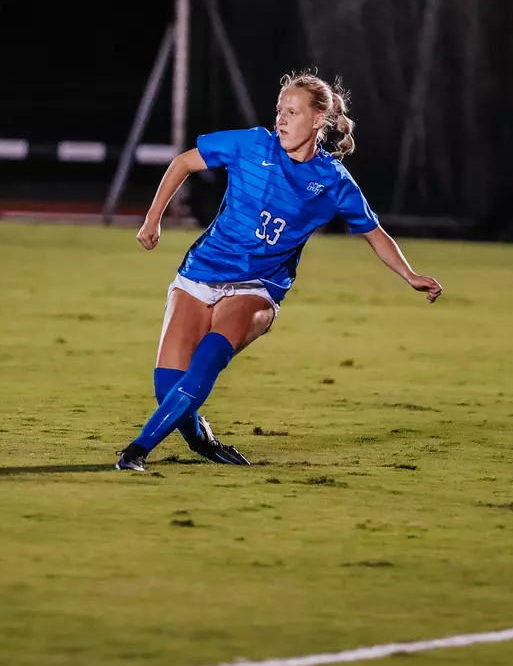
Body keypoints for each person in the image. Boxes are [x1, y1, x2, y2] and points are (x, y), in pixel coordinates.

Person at [116, 71, 443, 471]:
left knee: (208, 359)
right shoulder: (252, 144)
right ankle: (202, 440)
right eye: (279, 110)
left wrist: (409, 275)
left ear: (318, 119)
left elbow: (374, 233)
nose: (281, 120)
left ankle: (136, 451)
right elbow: (183, 162)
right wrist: (153, 219)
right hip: (199, 274)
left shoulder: (332, 181)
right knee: (167, 386)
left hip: (256, 288)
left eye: (292, 112)